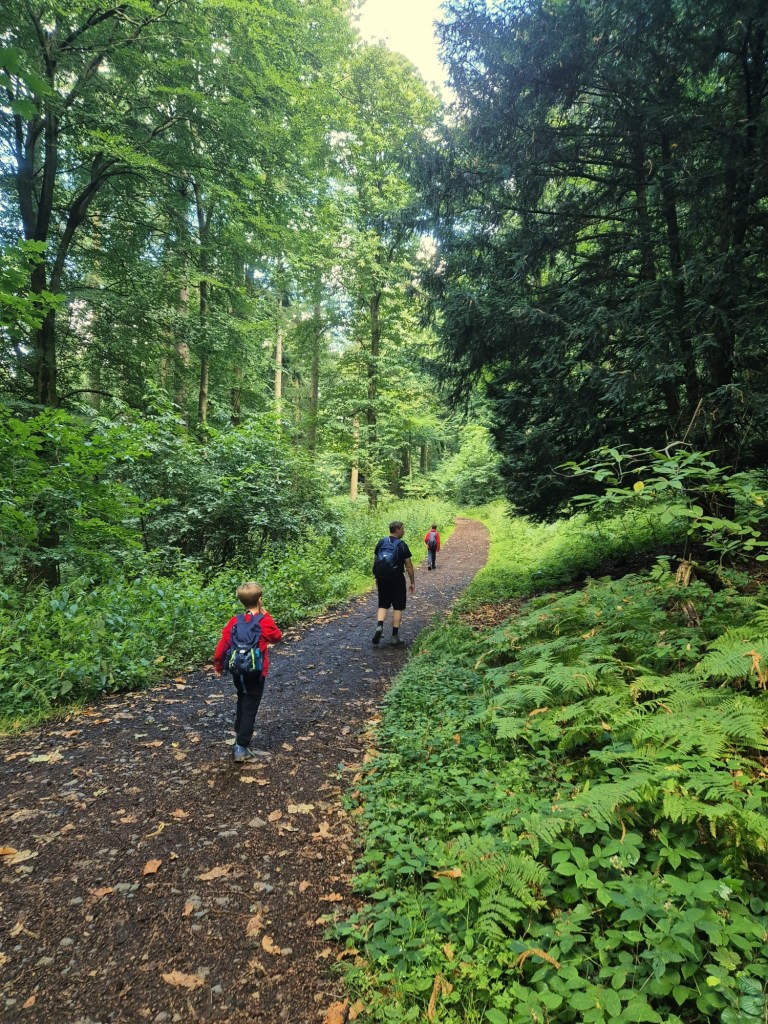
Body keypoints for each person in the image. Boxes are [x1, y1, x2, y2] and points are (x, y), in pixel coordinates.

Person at [213, 581, 282, 761]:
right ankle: (241, 746)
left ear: (242, 602)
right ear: (260, 600)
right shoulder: (264, 621)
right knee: (251, 703)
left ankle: (239, 732)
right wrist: (267, 615)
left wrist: (218, 665)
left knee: (243, 697)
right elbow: (277, 637)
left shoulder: (235, 621)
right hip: (256, 672)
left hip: (238, 671)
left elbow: (223, 645)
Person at [372, 520, 415, 647]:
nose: (404, 531)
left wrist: (377, 577)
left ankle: (380, 625)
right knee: (398, 607)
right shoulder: (402, 545)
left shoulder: (381, 542)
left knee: (383, 604)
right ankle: (394, 637)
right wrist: (412, 582)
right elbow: (409, 566)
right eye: (402, 529)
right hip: (397, 579)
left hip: (382, 578)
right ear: (397, 530)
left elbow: (376, 562)